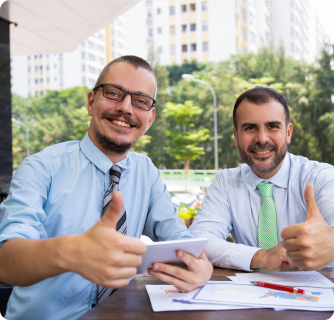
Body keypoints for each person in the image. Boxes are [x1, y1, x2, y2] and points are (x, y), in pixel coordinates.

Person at [0, 55, 212, 320]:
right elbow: (5, 260)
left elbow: (179, 241)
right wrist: (73, 251)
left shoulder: (147, 173)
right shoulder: (40, 167)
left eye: (141, 101)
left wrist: (201, 266)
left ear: (150, 118)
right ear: (91, 102)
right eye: (113, 93)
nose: (125, 108)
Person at [190, 86, 334, 272]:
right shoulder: (226, 183)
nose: (262, 138)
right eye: (250, 128)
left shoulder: (321, 177)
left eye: (272, 126)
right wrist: (262, 257)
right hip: (250, 295)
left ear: (288, 132)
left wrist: (330, 244)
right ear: (235, 136)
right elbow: (200, 240)